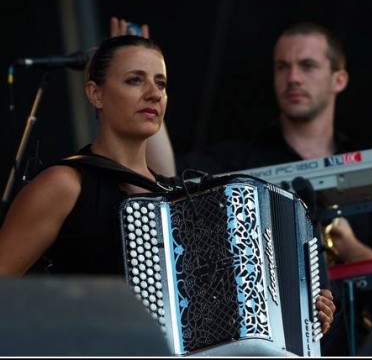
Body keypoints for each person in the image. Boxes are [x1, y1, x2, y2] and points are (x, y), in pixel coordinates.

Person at [0, 33, 335, 348]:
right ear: (95, 93)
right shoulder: (65, 183)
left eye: (161, 84)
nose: (153, 93)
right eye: (134, 80)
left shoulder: (179, 198)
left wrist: (305, 310)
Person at [116, 18, 372, 354]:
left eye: (307, 66)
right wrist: (136, 87)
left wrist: (347, 245)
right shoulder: (242, 160)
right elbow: (165, 176)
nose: (293, 78)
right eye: (282, 67)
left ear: (339, 79)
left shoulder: (369, 175)